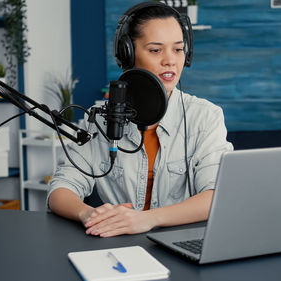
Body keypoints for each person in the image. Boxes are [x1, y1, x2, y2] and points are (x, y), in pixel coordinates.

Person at [47, 1, 233, 237]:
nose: (170, 60)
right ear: (127, 54)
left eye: (178, 49)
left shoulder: (205, 117)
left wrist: (147, 220)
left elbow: (216, 196)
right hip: (116, 243)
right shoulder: (100, 120)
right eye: (156, 50)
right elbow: (61, 188)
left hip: (180, 244)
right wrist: (89, 214)